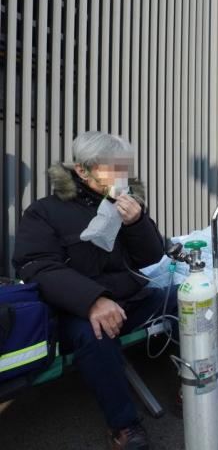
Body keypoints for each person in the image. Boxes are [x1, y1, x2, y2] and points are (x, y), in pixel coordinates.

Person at [12, 132, 173, 450]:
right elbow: (37, 267)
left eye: (124, 168)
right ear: (82, 171)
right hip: (77, 311)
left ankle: (193, 384)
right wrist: (92, 300)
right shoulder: (44, 212)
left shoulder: (124, 203)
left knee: (182, 299)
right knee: (94, 333)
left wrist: (138, 222)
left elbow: (152, 256)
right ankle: (124, 425)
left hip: (129, 298)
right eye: (112, 168)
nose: (121, 176)